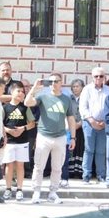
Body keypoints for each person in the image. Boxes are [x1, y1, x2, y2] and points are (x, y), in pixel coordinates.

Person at [24, 74, 75, 204]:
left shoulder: (66, 99)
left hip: (60, 136)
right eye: (51, 81)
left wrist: (73, 137)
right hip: (43, 136)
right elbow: (27, 102)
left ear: (61, 83)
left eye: (56, 81)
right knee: (39, 166)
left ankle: (53, 192)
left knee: (57, 167)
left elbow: (70, 118)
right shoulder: (42, 96)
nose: (53, 84)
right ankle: (36, 192)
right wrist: (34, 88)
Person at [78, 66, 109, 184]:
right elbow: (83, 107)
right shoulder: (87, 89)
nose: (98, 78)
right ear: (92, 77)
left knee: (101, 151)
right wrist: (92, 121)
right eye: (96, 76)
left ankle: (101, 175)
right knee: (89, 150)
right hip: (89, 123)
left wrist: (105, 122)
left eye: (101, 76)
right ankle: (86, 175)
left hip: (104, 124)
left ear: (104, 77)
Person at [1, 83, 34, 200]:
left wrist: (22, 129)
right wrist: (8, 130)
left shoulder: (25, 108)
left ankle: (19, 189)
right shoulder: (5, 108)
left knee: (20, 165)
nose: (21, 93)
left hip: (22, 141)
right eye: (18, 91)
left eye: (22, 92)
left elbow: (32, 123)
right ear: (12, 92)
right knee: (9, 165)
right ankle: (8, 189)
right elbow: (0, 124)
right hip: (9, 142)